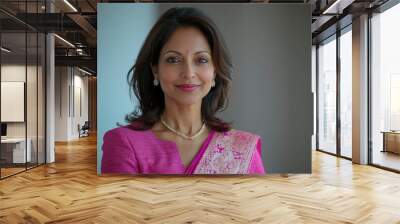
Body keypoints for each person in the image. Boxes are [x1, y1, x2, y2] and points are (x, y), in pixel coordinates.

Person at [101, 7, 265, 175]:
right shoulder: (123, 142)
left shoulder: (242, 147)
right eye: (173, 59)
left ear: (214, 71)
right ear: (155, 70)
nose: (188, 73)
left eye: (201, 60)